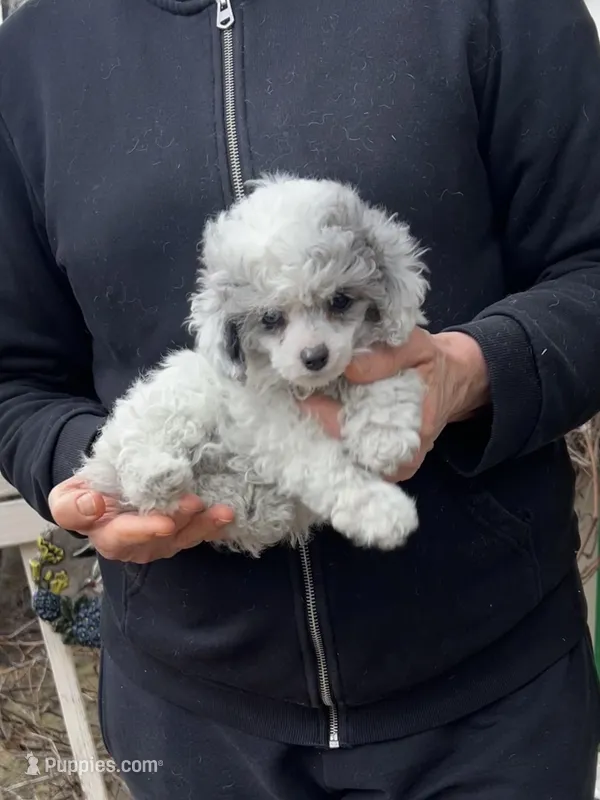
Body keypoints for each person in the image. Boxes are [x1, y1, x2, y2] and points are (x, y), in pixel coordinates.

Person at [1, 0, 600, 797]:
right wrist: (88, 472)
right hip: (193, 721)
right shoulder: (30, 60)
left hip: (490, 701)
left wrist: (470, 369)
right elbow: (13, 373)